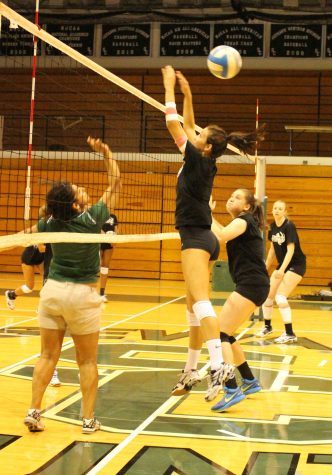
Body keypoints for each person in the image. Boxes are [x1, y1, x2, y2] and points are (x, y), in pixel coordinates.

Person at [161, 65, 265, 403]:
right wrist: (188, 93)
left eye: (201, 135)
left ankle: (219, 365)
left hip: (196, 237)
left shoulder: (195, 158)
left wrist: (168, 90)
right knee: (192, 308)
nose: (196, 134)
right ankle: (190, 371)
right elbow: (190, 127)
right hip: (201, 236)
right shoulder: (204, 158)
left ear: (204, 147)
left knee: (202, 302)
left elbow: (174, 124)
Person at [23, 136, 121, 434]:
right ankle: (88, 420)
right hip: (81, 296)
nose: (83, 188)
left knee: (46, 356)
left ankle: (34, 411)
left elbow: (36, 222)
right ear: (76, 203)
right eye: (78, 190)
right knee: (87, 361)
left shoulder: (48, 224)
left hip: (52, 292)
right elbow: (116, 182)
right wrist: (106, 152)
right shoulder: (91, 219)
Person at [210, 189, 270, 412]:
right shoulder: (242, 222)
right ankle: (249, 380)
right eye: (230, 195)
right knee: (228, 333)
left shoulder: (244, 221)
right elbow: (221, 232)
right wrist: (206, 213)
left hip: (251, 284)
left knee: (219, 334)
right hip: (254, 285)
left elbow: (219, 236)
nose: (230, 198)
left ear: (246, 206)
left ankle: (231, 388)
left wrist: (202, 212)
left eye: (236, 197)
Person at [4, 208, 61, 387]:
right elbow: (23, 236)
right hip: (30, 259)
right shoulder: (44, 226)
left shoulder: (71, 223)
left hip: (65, 277)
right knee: (30, 286)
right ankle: (52, 370)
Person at [256, 199, 306, 343]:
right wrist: (265, 268)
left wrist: (282, 270)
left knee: (280, 297)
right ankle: (267, 326)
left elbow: (291, 250)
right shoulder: (272, 227)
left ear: (285, 211)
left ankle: (290, 333)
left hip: (296, 265)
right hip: (283, 265)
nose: (276, 210)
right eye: (275, 208)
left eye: (280, 208)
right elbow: (272, 250)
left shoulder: (289, 226)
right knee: (268, 296)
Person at [99, 213, 118, 302]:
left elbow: (116, 229)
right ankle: (89, 293)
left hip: (108, 244)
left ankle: (102, 293)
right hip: (98, 242)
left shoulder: (113, 217)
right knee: (95, 267)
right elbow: (96, 228)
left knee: (105, 267)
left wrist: (114, 240)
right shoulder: (98, 214)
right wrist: (105, 236)